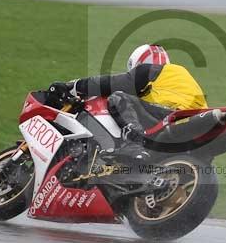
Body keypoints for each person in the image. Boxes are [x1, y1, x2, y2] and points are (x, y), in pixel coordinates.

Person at [50, 44, 207, 160]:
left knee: (119, 97)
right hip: (196, 129)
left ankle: (133, 144)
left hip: (173, 115)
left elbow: (112, 83)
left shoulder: (149, 71)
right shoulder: (177, 78)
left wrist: (73, 86)